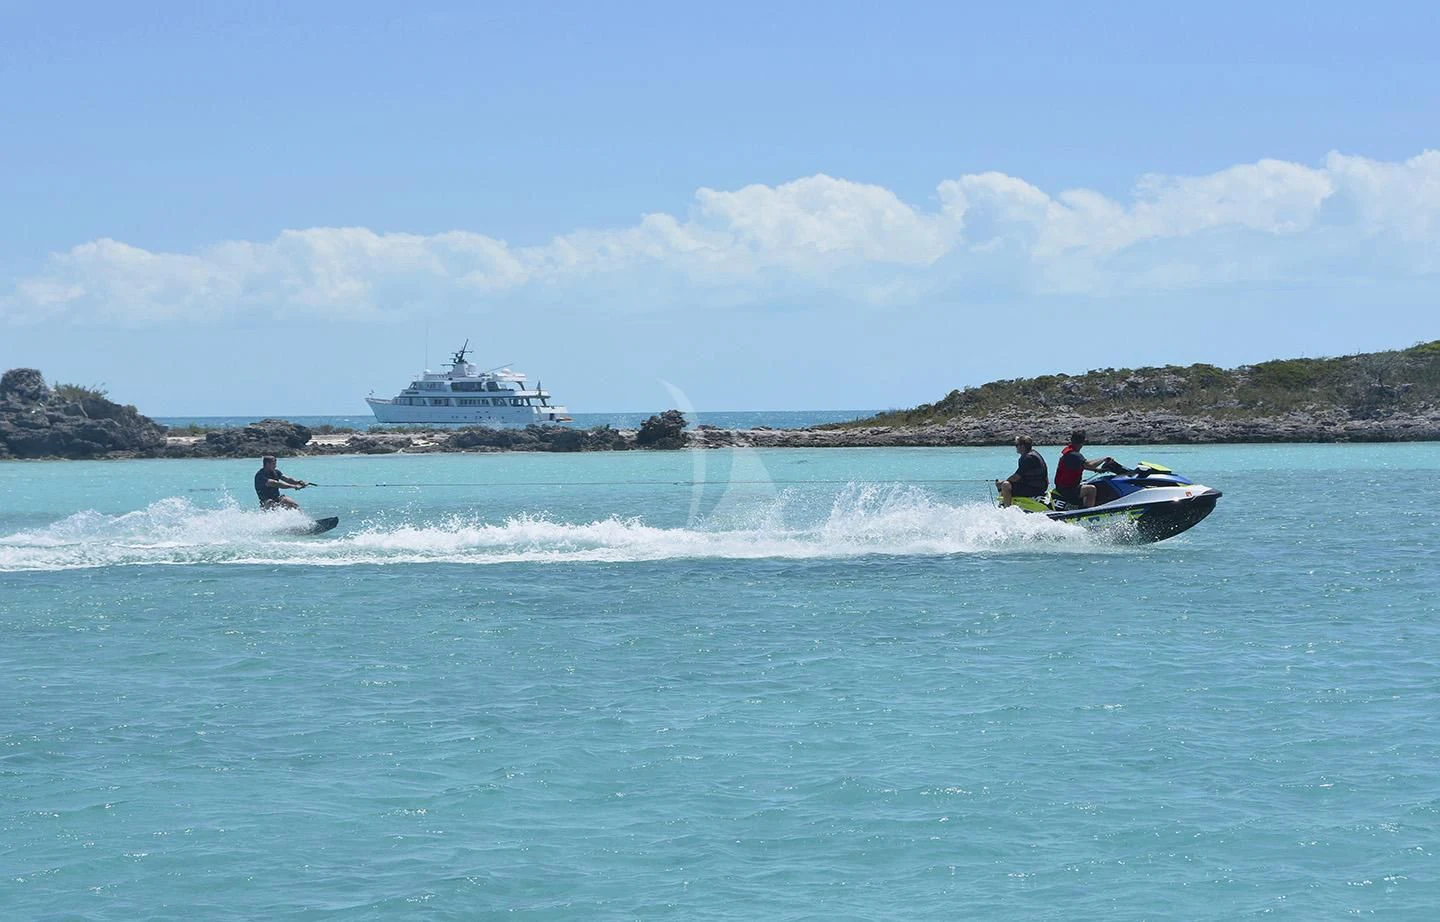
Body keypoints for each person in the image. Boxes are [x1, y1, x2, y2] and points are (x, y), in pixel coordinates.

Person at [1054, 429, 1122, 508]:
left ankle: (1081, 506)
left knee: (1087, 483)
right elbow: (1089, 464)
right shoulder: (1074, 455)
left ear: (1071, 440)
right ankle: (1088, 511)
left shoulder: (1069, 453)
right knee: (1091, 489)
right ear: (1082, 443)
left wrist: (1097, 470)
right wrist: (1104, 459)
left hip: (1063, 487)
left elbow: (1083, 466)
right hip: (1067, 490)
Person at [996, 435, 1048, 507]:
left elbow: (1016, 477)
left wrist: (1001, 484)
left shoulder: (1028, 458)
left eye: (1017, 445)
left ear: (1022, 447)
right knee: (1007, 483)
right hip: (1039, 486)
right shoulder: (1033, 453)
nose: (1016, 447)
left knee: (1006, 485)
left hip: (1035, 488)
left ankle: (1007, 509)